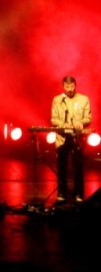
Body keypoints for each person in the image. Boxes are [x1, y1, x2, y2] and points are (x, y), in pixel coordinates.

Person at [51, 76, 91, 204]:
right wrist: (63, 124)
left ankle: (79, 194)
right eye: (67, 87)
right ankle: (61, 193)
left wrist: (80, 123)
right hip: (62, 138)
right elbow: (53, 119)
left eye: (72, 86)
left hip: (77, 137)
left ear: (75, 85)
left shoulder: (84, 99)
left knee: (78, 167)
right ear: (63, 86)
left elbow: (88, 118)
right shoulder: (57, 100)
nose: (70, 89)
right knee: (61, 166)